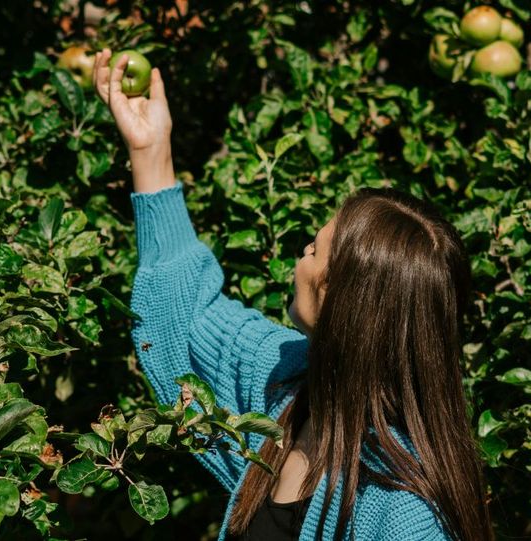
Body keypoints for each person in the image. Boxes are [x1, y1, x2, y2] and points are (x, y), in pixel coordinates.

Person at [91, 48, 495, 541]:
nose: (303, 252)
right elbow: (188, 317)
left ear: (351, 305)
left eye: (317, 251)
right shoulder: (288, 381)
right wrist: (151, 151)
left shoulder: (404, 514)